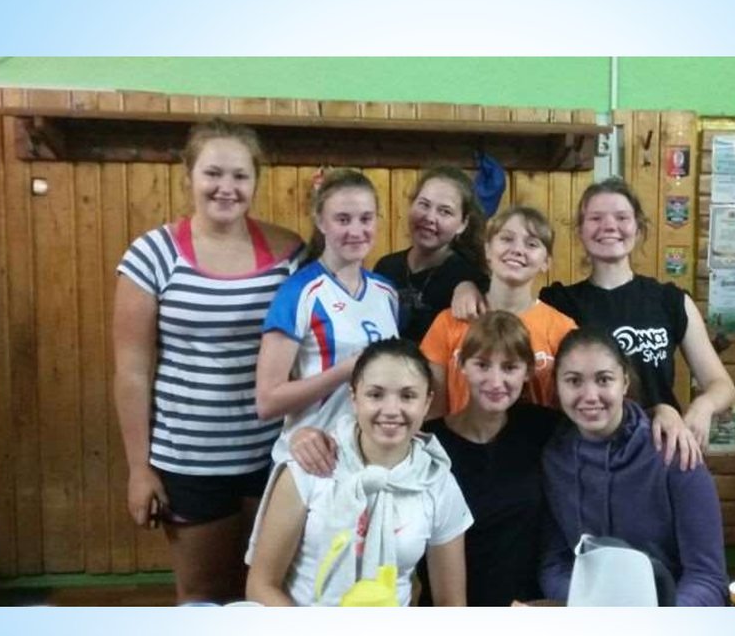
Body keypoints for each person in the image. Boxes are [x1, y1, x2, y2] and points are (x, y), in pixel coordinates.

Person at [113, 118, 304, 605]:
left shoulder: (289, 253)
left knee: (269, 593)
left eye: (240, 176)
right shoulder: (152, 255)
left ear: (256, 181)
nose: (226, 187)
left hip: (273, 455)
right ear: (189, 176)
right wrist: (139, 469)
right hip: (189, 461)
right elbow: (132, 371)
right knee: (203, 596)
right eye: (213, 173)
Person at [453, 178, 735, 469]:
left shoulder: (670, 300)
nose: (609, 226)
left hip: (658, 448)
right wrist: (467, 286)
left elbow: (721, 384)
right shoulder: (558, 302)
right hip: (586, 455)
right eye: (596, 218)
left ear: (638, 228)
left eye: (622, 217)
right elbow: (509, 302)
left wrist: (702, 406)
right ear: (580, 230)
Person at [246, 338, 473, 606]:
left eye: (408, 396)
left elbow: (451, 604)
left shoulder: (437, 482)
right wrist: (315, 632)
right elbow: (261, 586)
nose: (391, 410)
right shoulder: (310, 466)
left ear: (427, 403)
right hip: (306, 626)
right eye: (375, 395)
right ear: (354, 398)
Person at [539, 328, 729, 606]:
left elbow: (707, 577)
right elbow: (554, 564)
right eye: (574, 381)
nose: (590, 395)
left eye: (604, 379)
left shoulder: (675, 452)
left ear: (625, 382)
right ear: (557, 385)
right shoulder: (554, 459)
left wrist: (658, 622)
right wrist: (586, 606)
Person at [255, 169, 399, 467]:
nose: (356, 231)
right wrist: (346, 371)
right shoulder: (299, 292)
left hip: (371, 459)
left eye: (366, 219)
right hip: (315, 458)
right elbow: (267, 401)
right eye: (343, 220)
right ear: (321, 221)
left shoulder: (386, 292)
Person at [420, 311, 560, 606]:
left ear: (528, 371)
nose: (496, 381)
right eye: (482, 365)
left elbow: (606, 424)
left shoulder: (543, 428)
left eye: (509, 367)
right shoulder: (428, 444)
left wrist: (658, 411)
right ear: (461, 364)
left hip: (525, 611)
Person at [420, 206, 577, 418]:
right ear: (487, 250)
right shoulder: (449, 321)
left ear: (546, 262)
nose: (517, 250)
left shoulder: (563, 329)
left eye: (532, 244)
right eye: (507, 239)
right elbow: (432, 411)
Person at [373, 167, 488, 343]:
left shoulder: (470, 278)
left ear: (462, 224)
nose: (430, 217)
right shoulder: (386, 267)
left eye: (445, 211)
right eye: (424, 204)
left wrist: (469, 285)